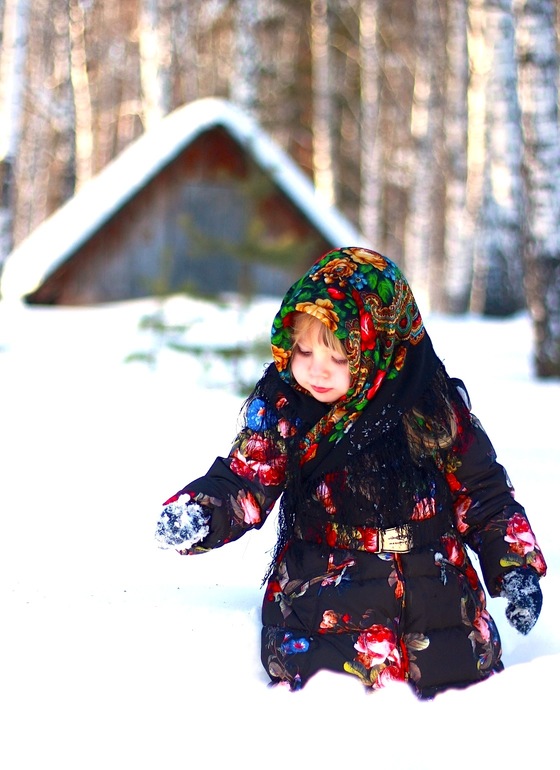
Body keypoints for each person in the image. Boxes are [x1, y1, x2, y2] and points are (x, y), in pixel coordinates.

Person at [155, 247, 547, 698]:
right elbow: (247, 477)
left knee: (452, 715)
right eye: (304, 351)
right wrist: (202, 511)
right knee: (339, 713)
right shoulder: (288, 408)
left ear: (379, 347)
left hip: (441, 616)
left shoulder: (431, 407)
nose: (315, 371)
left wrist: (515, 567)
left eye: (339, 357)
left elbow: (483, 495)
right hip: (323, 610)